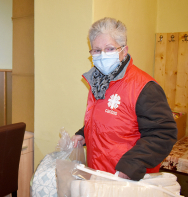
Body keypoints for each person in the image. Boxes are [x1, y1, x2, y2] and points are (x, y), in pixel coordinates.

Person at [71, 17, 177, 181]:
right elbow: (107, 119)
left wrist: (131, 167)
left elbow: (162, 134)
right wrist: (83, 133)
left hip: (127, 179)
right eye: (97, 50)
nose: (102, 55)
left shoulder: (144, 87)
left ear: (124, 50)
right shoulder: (98, 82)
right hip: (99, 176)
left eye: (110, 48)